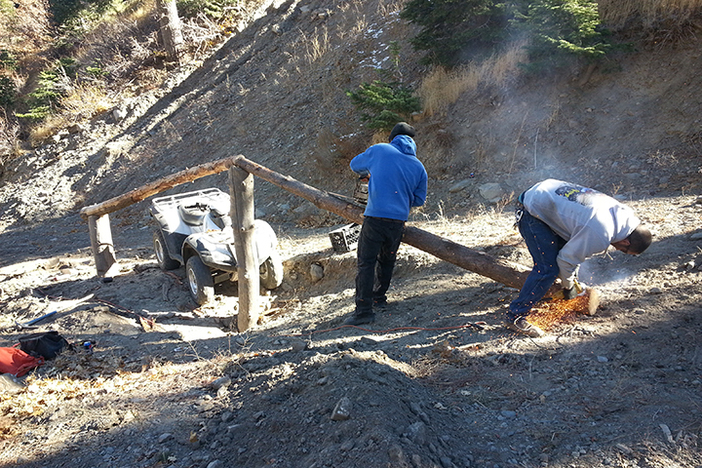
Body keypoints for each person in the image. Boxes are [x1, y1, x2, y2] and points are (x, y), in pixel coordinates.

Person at [505, 179, 652, 337]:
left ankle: (540, 294)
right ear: (625, 241)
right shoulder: (601, 233)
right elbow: (565, 260)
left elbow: (573, 251)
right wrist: (569, 286)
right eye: (623, 250)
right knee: (547, 269)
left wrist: (571, 278)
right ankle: (515, 316)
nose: (617, 249)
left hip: (545, 194)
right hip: (532, 211)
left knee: (556, 263)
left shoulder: (623, 215)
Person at [344, 122, 428, 326]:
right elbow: (418, 200)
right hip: (398, 222)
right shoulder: (418, 166)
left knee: (366, 262)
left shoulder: (380, 150)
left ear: (392, 138)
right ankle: (379, 298)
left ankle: (363, 311)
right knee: (387, 261)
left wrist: (373, 173)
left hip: (375, 218)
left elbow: (355, 165)